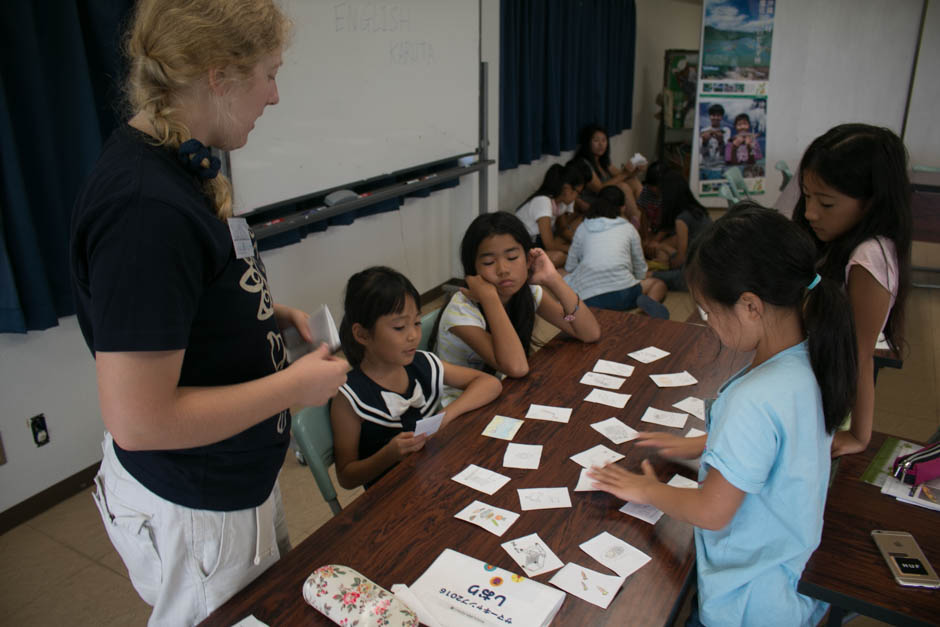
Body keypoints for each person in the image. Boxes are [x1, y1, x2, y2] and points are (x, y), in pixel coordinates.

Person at [69, 2, 351, 624]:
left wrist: (257, 312)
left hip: (233, 479)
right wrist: (292, 388)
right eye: (269, 75)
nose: (275, 96)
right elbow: (140, 420)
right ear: (220, 75)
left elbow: (177, 295)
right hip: (197, 500)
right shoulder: (144, 210)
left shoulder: (175, 159)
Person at [589, 204, 858, 627]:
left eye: (707, 311)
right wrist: (703, 442)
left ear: (750, 305)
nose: (707, 324)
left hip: (748, 603)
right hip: (790, 580)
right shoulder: (810, 356)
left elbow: (712, 511)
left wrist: (644, 490)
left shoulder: (752, 398)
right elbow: (781, 442)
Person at [793, 123, 911, 458]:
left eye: (826, 203)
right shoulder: (840, 239)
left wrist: (859, 436)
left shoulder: (869, 258)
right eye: (807, 195)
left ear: (871, 203)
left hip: (826, 394)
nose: (810, 212)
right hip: (807, 378)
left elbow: (859, 354)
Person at [330, 267, 501, 489]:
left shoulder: (422, 363)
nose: (413, 335)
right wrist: (387, 456)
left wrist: (445, 416)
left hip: (439, 476)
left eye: (417, 323)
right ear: (362, 334)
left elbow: (490, 383)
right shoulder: (349, 397)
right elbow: (346, 477)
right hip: (394, 498)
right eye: (399, 327)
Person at [431, 212, 601, 404]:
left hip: (501, 395)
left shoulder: (528, 293)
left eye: (512, 257)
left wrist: (553, 279)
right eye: (488, 262)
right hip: (460, 408)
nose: (503, 269)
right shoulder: (461, 311)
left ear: (528, 259)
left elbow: (588, 332)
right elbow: (517, 367)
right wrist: (489, 298)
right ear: (473, 269)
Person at [564, 197, 669, 319]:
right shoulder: (628, 227)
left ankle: (585, 310)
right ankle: (645, 311)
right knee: (658, 284)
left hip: (589, 299)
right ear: (620, 209)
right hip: (624, 294)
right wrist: (636, 278)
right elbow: (641, 269)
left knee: (562, 276)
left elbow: (570, 266)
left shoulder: (582, 228)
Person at [650, 169, 713, 291]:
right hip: (708, 270)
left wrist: (665, 266)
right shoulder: (699, 211)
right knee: (662, 247)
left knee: (648, 276)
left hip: (692, 276)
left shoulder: (682, 219)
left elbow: (681, 260)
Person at [514, 163, 584, 267]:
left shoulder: (559, 203)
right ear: (567, 188)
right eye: (578, 192)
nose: (577, 197)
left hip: (537, 244)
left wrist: (579, 243)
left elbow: (562, 229)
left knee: (567, 245)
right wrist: (576, 250)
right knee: (559, 256)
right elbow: (549, 244)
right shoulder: (543, 201)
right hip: (522, 248)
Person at [573, 123, 644, 217]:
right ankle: (637, 220)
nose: (601, 144)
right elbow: (600, 189)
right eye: (596, 140)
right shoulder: (583, 163)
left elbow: (623, 175)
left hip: (608, 196)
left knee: (633, 181)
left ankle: (644, 215)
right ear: (587, 142)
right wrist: (624, 174)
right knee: (622, 186)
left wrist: (636, 171)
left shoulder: (603, 160)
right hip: (592, 199)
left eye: (604, 140)